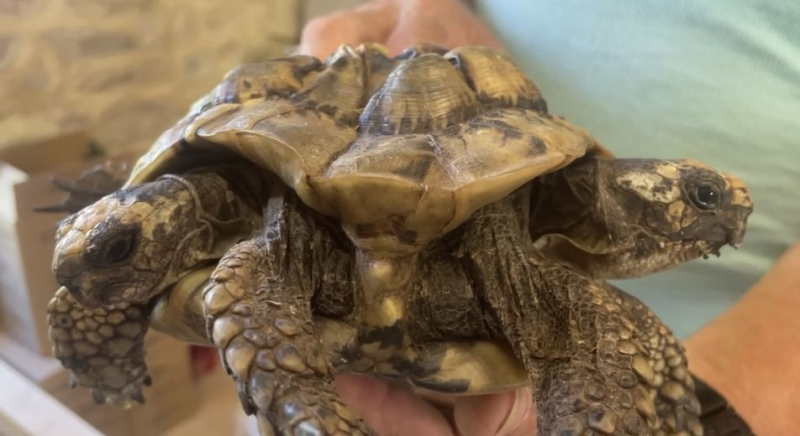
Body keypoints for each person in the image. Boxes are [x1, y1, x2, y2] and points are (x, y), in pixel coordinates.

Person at [298, 1, 800, 434]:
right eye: (705, 195)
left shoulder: (601, 315)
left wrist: (727, 394)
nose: (735, 207)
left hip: (742, 345)